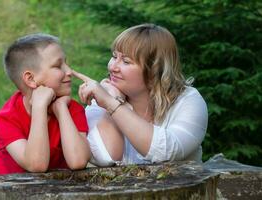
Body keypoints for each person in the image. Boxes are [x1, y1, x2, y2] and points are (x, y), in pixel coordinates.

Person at [72, 23, 208, 166]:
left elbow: (167, 152)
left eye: (125, 61)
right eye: (114, 57)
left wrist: (113, 105)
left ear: (154, 71)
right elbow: (107, 158)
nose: (112, 67)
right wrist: (111, 102)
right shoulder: (104, 97)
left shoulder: (188, 100)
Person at [0, 33, 90, 176]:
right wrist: (39, 108)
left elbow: (78, 161)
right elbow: (36, 165)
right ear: (30, 79)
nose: (69, 71)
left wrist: (61, 110)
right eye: (58, 66)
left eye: (66, 63)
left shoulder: (71, 109)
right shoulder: (6, 119)